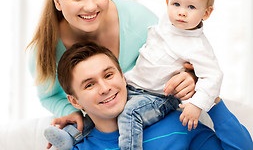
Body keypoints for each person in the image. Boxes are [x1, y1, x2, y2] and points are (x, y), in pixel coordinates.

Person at [27, 0, 196, 149]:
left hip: (152, 113)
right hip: (102, 126)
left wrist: (190, 77)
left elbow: (183, 58)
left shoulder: (139, 20)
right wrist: (71, 112)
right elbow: (49, 95)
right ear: (57, 1)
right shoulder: (44, 50)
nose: (90, 6)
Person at [57, 41, 252, 150]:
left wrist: (209, 96)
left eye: (109, 75)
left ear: (123, 78)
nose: (105, 88)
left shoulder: (179, 124)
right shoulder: (78, 147)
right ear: (74, 101)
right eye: (89, 84)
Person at [119, 0, 223, 149]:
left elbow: (213, 76)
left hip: (158, 97)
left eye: (191, 7)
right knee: (103, 108)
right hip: (131, 85)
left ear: (206, 13)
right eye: (176, 4)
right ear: (167, 3)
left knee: (130, 114)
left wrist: (196, 105)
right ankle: (72, 135)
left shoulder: (198, 46)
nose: (182, 12)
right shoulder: (166, 21)